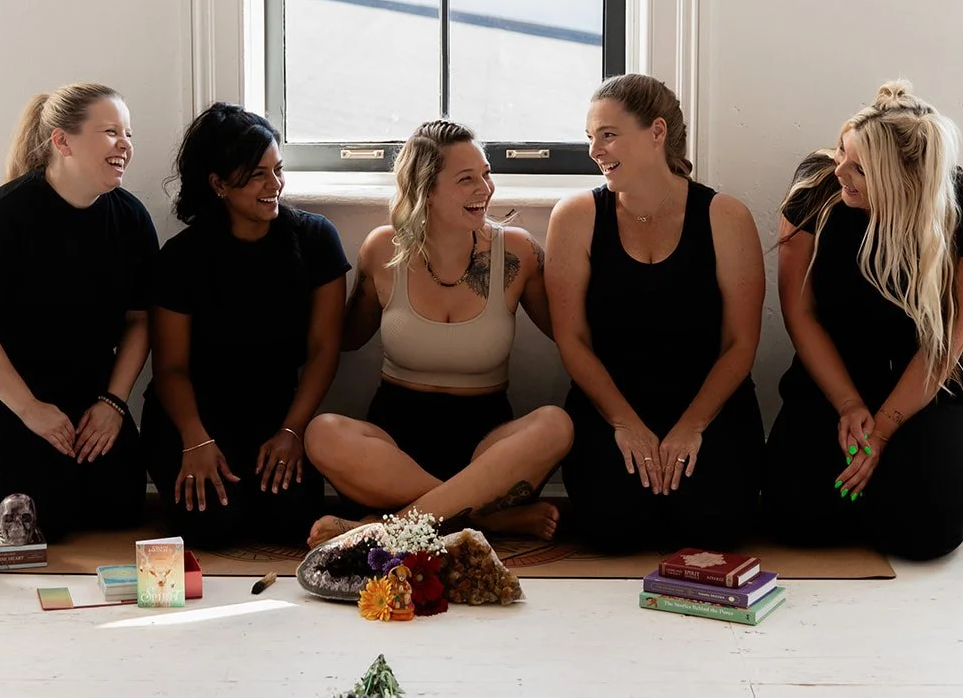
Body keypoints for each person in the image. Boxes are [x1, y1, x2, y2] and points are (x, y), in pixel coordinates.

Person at [763, 80, 963, 560]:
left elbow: (950, 339)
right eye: (841, 151)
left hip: (935, 387)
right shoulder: (816, 188)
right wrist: (849, 404)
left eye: (860, 168)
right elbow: (799, 313)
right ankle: (874, 495)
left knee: (925, 534)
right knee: (793, 519)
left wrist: (881, 432)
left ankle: (894, 489)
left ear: (904, 178)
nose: (839, 171)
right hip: (834, 381)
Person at [303, 121, 572, 547]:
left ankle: (379, 532)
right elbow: (348, 338)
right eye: (466, 179)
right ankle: (486, 517)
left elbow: (568, 335)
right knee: (321, 432)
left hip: (487, 447)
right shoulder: (382, 249)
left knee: (556, 424)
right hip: (394, 449)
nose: (485, 188)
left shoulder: (517, 252)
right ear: (425, 189)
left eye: (486, 174)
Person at [545, 74, 767, 552]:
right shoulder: (575, 217)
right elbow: (572, 340)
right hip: (612, 405)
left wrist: (693, 426)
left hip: (707, 405)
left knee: (716, 528)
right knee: (613, 529)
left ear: (657, 132)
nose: (595, 151)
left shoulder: (726, 217)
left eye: (608, 135)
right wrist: (624, 423)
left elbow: (740, 344)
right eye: (590, 138)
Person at [0, 83, 157, 541]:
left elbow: (140, 321)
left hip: (82, 390)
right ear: (62, 141)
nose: (124, 145)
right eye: (110, 132)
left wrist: (113, 403)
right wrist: (30, 410)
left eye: (128, 134)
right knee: (44, 519)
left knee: (122, 506)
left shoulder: (131, 219)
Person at [141, 104, 348, 546]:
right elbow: (170, 369)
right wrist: (195, 440)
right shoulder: (181, 258)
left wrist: (292, 431)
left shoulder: (316, 239)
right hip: (194, 414)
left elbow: (324, 350)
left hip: (277, 413)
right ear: (218, 184)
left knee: (294, 522)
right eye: (257, 175)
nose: (275, 185)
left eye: (278, 170)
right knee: (212, 525)